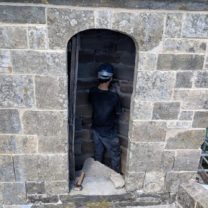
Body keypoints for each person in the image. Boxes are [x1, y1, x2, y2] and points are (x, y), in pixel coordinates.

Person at [88, 64, 122, 173]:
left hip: (95, 129)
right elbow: (118, 112)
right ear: (111, 78)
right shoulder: (114, 97)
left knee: (98, 153)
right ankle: (116, 175)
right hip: (109, 131)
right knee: (115, 154)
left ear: (98, 77)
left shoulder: (92, 92)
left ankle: (98, 174)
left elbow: (91, 102)